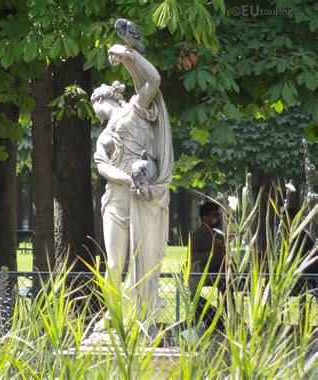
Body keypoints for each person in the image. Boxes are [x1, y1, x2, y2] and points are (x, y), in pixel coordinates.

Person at [92, 44, 173, 324]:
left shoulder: (136, 109)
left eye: (96, 105)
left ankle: (140, 315)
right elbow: (102, 166)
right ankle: (112, 315)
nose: (95, 113)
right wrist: (128, 179)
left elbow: (153, 80)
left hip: (142, 199)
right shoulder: (103, 136)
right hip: (116, 201)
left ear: (104, 99)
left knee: (144, 265)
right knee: (114, 265)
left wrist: (130, 57)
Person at [189, 201, 227, 329]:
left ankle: (229, 313)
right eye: (214, 215)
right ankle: (208, 315)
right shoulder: (196, 236)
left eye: (218, 215)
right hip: (202, 273)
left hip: (220, 272)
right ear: (205, 217)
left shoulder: (219, 235)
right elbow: (192, 257)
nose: (218, 218)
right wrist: (210, 253)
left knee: (227, 284)